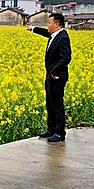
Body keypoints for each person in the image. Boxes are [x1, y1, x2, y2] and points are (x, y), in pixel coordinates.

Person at [26, 13, 72, 142]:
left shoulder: (63, 37)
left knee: (57, 104)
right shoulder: (55, 35)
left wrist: (54, 71)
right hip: (51, 75)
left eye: (49, 22)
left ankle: (60, 132)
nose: (47, 25)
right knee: (50, 103)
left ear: (56, 24)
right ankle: (51, 129)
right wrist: (33, 29)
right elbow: (46, 33)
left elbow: (66, 58)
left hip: (57, 76)